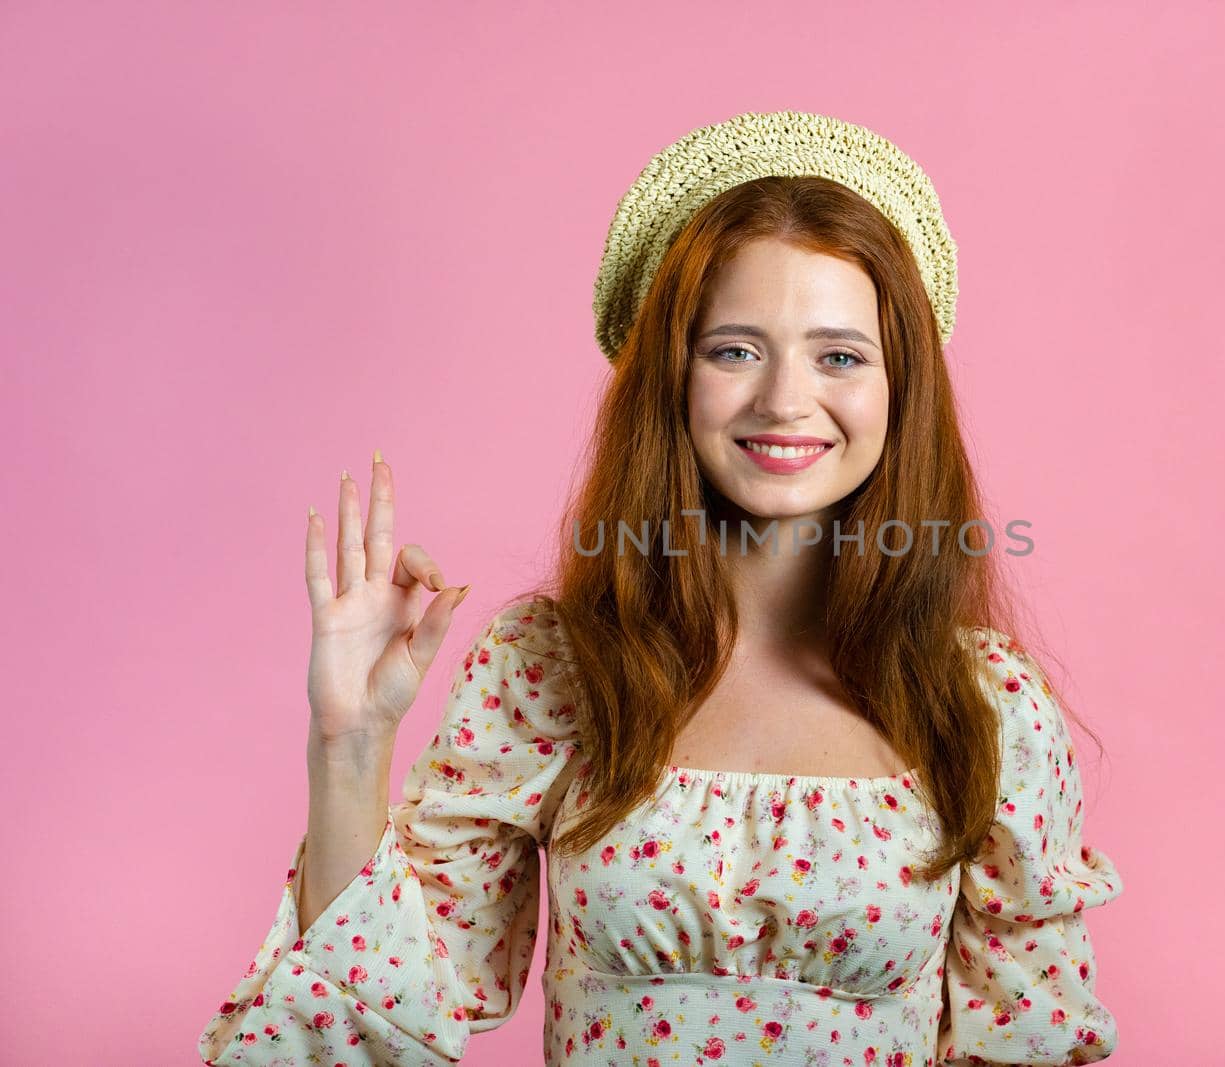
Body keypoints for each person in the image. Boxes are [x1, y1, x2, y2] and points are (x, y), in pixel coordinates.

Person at [197, 109, 1124, 1066]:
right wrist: (349, 745)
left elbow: (1030, 1043)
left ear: (901, 389)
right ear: (669, 379)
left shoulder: (987, 703)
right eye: (734, 350)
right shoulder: (551, 667)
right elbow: (371, 1028)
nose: (784, 400)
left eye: (839, 355)